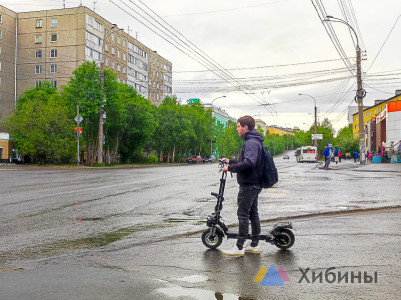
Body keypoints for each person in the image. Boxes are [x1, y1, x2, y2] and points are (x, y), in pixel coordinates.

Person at [221, 115, 263, 257]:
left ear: (246, 127)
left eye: (238, 126)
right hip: (254, 183)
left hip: (249, 185)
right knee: (252, 213)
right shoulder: (254, 141)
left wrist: (230, 168)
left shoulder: (250, 142)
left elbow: (249, 163)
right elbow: (248, 161)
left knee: (243, 215)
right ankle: (254, 245)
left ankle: (239, 247)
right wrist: (231, 161)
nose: (237, 129)